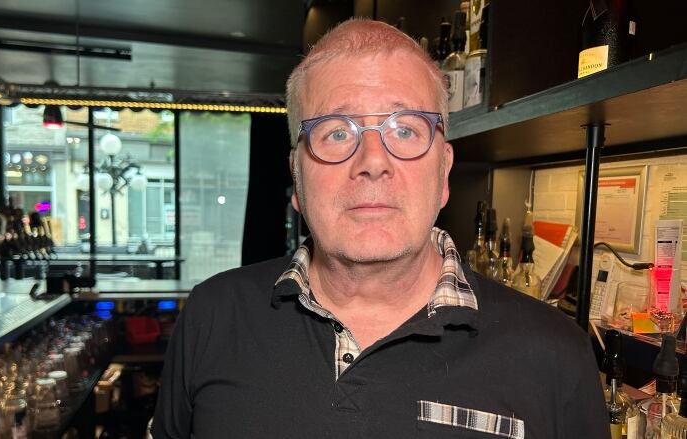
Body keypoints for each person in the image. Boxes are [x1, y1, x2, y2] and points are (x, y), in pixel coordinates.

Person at [152, 18, 609, 439]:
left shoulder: (556, 356)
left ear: (444, 172)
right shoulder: (210, 316)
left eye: (405, 130)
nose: (372, 162)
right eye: (336, 132)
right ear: (296, 175)